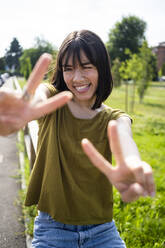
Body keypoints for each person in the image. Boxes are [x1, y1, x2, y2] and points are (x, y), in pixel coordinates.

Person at [0, 30, 155, 248]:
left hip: (103, 231)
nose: (77, 78)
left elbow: (123, 134)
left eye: (86, 67)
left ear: (101, 69)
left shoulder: (114, 117)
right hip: (52, 230)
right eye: (69, 69)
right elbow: (40, 95)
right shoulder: (53, 100)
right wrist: (29, 105)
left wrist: (132, 162)